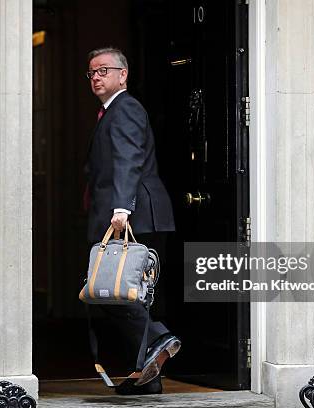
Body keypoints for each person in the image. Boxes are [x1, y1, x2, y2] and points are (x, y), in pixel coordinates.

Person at [84, 47, 180, 395]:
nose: (96, 77)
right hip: (131, 215)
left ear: (122, 75)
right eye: (92, 72)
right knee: (121, 294)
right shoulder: (111, 112)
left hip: (135, 216)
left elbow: (128, 159)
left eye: (103, 70)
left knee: (121, 296)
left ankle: (161, 338)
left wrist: (122, 208)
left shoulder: (125, 109)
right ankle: (149, 379)